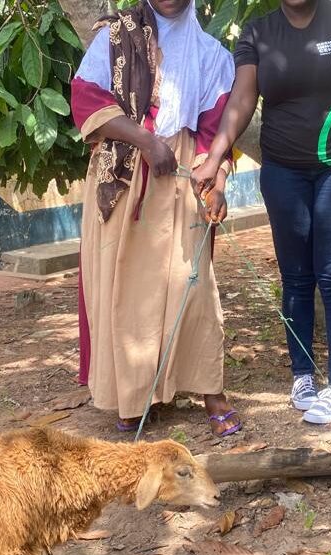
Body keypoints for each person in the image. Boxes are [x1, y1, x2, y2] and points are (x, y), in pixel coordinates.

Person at [192, 0, 331, 425]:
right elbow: (242, 101)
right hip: (283, 171)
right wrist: (214, 157)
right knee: (295, 277)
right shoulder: (258, 33)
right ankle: (302, 375)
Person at [70, 0, 242, 436]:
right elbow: (87, 100)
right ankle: (132, 393)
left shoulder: (211, 55)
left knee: (193, 281)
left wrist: (217, 181)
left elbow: (216, 133)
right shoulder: (115, 37)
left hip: (184, 175)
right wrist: (145, 139)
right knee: (125, 286)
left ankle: (208, 388)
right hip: (125, 177)